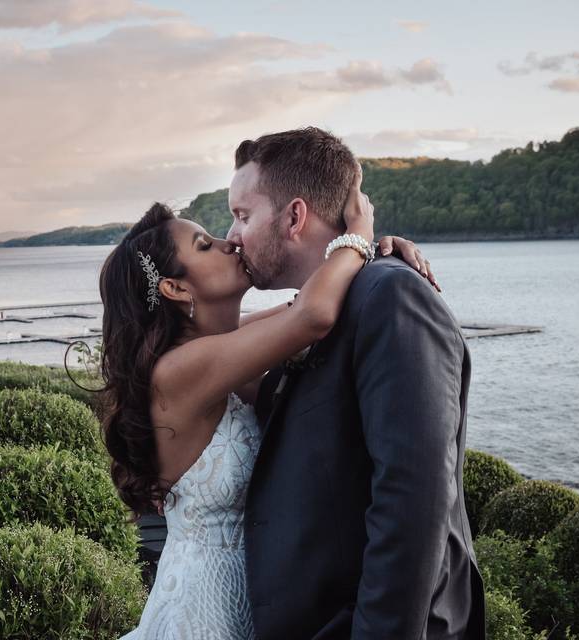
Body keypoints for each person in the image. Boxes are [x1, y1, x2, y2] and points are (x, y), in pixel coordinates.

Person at [100, 157, 433, 639]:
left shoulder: (216, 349)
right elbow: (312, 316)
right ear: (174, 287)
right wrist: (359, 230)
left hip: (260, 597)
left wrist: (376, 257)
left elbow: (305, 305)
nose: (229, 240)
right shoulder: (179, 371)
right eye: (205, 245)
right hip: (206, 610)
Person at [227, 127, 485, 639]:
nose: (232, 236)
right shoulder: (314, 311)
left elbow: (413, 499)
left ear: (294, 217)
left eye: (242, 215)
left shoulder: (391, 298)